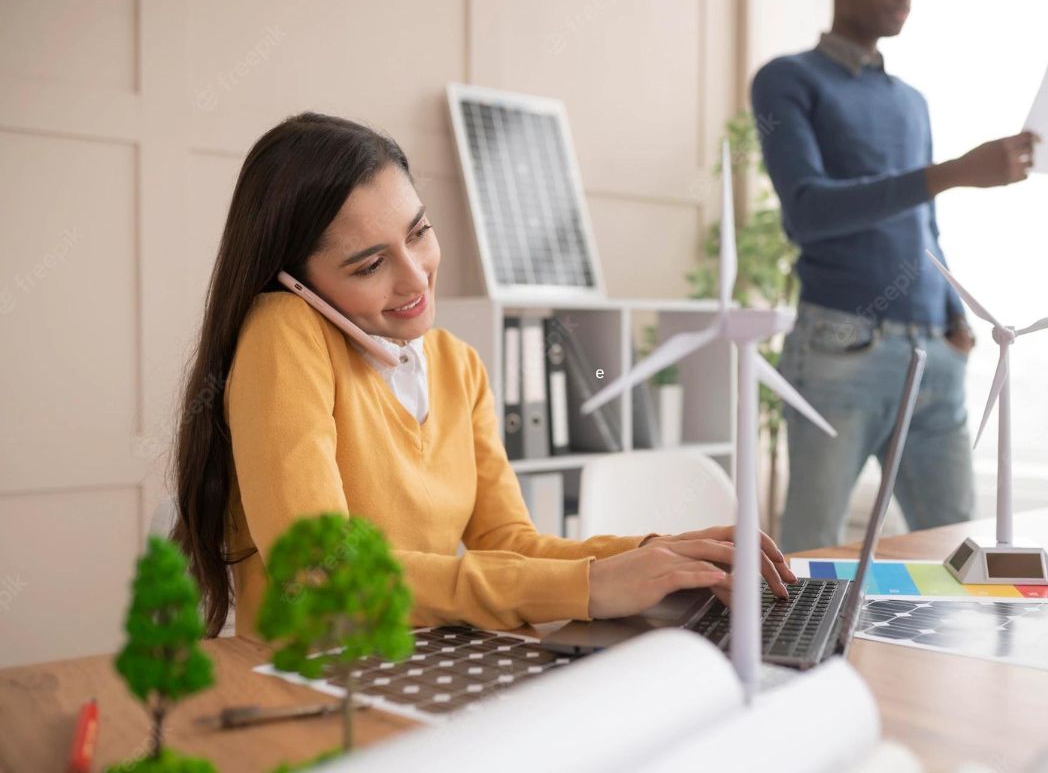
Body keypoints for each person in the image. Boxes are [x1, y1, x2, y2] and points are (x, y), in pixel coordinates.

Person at [170, 112, 795, 638]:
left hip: (423, 664)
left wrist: (657, 555)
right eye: (369, 266)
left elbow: (507, 543)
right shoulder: (284, 330)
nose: (416, 277)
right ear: (295, 282)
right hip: (314, 683)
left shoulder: (456, 364)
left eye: (419, 233)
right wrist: (587, 586)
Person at [751, 0, 1037, 551]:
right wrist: (954, 171)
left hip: (935, 349)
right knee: (811, 552)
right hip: (840, 347)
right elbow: (808, 210)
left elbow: (923, 221)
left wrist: (953, 313)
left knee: (960, 548)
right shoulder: (788, 79)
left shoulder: (911, 101)